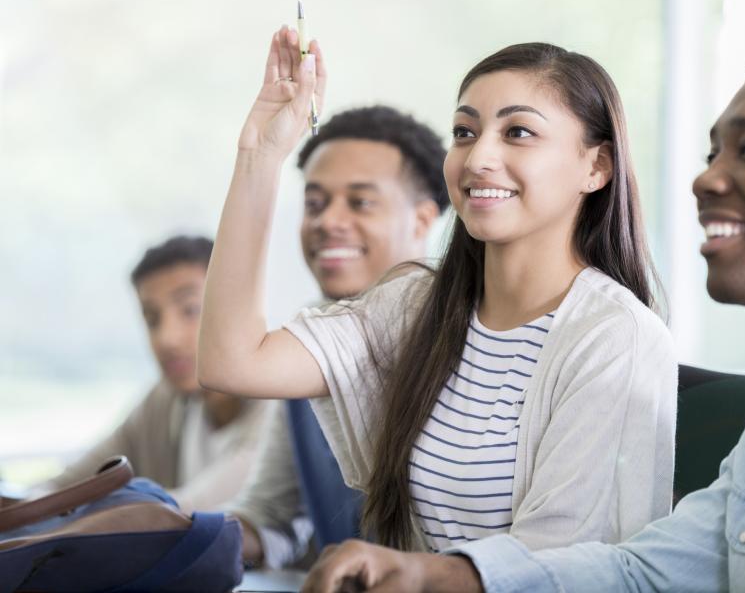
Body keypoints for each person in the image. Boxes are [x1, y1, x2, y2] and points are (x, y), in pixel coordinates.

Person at [300, 39, 745, 593]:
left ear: (596, 166)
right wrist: (435, 573)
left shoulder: (612, 334)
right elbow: (637, 572)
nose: (705, 181)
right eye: (712, 156)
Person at [198, 28, 676, 556]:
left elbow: (561, 564)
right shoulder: (412, 308)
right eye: (465, 132)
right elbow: (232, 363)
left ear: (596, 166)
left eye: (517, 132)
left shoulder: (613, 336)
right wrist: (261, 155)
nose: (477, 159)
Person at [225, 104, 449, 569]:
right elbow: (272, 513)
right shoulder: (307, 337)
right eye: (315, 203)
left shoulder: (461, 331)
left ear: (423, 220)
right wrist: (172, 536)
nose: (329, 221)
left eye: (360, 202)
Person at [45, 235, 268, 512]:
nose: (167, 339)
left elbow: (184, 510)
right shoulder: (165, 400)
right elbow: (66, 484)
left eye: (189, 310)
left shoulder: (278, 410)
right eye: (152, 319)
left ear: (236, 306)